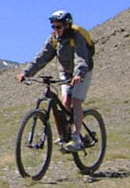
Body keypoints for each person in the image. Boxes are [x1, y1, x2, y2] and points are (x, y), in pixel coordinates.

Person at [16, 10, 95, 151]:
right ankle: (65, 135)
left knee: (76, 101)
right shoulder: (54, 39)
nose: (55, 30)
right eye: (53, 27)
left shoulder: (77, 36)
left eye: (58, 27)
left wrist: (78, 74)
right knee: (65, 102)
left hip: (82, 71)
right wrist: (26, 72)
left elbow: (81, 57)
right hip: (65, 72)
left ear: (67, 25)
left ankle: (77, 138)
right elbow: (41, 57)